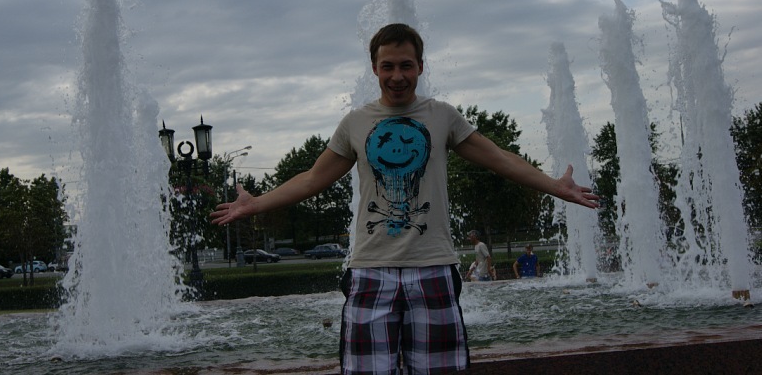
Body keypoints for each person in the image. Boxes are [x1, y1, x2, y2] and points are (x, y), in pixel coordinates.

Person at [211, 23, 598, 374]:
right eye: (388, 66)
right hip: (370, 271)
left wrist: (555, 186)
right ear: (375, 69)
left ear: (420, 67)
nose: (397, 76)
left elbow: (500, 159)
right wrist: (255, 204)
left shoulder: (442, 116)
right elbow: (312, 179)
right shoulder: (355, 122)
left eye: (406, 66)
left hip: (433, 269)